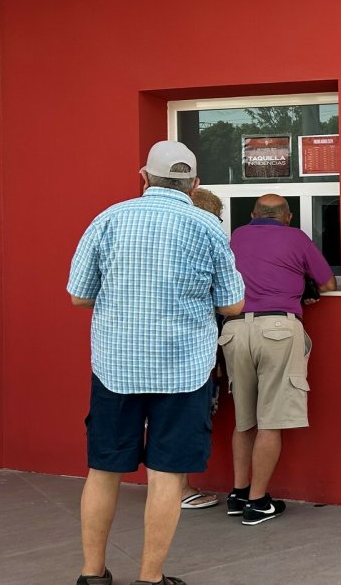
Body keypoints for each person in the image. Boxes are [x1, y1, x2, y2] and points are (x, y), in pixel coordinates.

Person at [68, 141, 245, 585]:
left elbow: (79, 294)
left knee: (104, 470)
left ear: (143, 178)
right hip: (184, 371)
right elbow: (233, 304)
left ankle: (92, 575)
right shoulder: (207, 226)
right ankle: (150, 579)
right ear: (194, 184)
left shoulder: (108, 219)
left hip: (116, 367)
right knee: (168, 476)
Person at [221, 194, 336, 525]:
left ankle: (238, 493)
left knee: (244, 419)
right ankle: (257, 503)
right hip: (278, 329)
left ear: (254, 214)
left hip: (235, 330)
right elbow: (327, 283)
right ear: (288, 217)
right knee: (270, 420)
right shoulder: (295, 237)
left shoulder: (237, 236)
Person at [178, 188, 226, 511]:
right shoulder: (207, 246)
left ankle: (170, 489)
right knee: (182, 422)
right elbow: (228, 301)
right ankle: (179, 489)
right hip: (192, 355)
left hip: (146, 355)